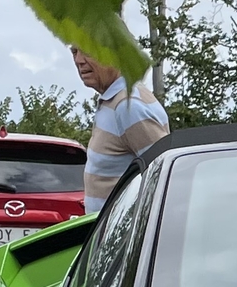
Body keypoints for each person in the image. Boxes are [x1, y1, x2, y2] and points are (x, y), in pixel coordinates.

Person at [73, 44, 171, 212]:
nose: (78, 60)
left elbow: (165, 175)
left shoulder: (129, 105)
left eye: (87, 51)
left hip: (124, 235)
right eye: (74, 51)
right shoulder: (114, 100)